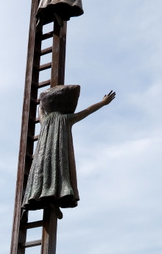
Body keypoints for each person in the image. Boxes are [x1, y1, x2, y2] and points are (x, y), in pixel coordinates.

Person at [22, 85, 115, 216]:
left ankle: (27, 208)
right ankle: (53, 201)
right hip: (59, 154)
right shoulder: (66, 118)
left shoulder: (45, 120)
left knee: (38, 177)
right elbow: (87, 111)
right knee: (58, 176)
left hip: (42, 156)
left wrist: (41, 101)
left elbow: (41, 109)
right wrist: (103, 103)